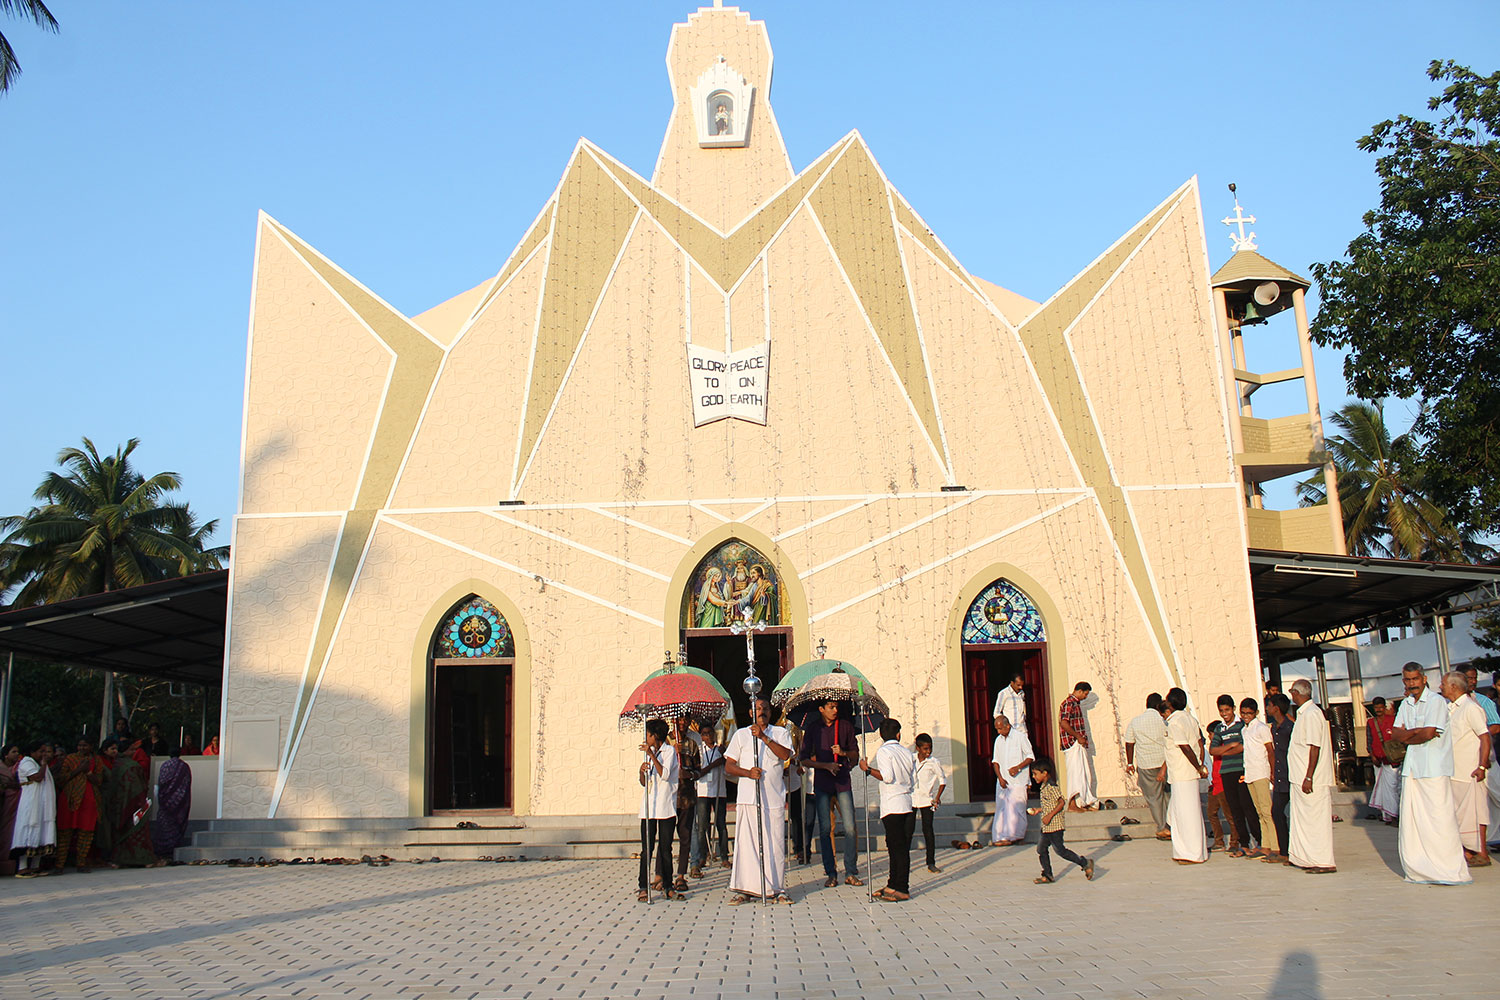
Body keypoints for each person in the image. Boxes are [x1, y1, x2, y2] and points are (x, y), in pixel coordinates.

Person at [1390, 662, 1470, 884]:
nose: (1412, 684)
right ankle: (1420, 869)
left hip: (1434, 768)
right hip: (1412, 769)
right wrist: (1412, 734)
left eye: (1415, 679)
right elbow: (1396, 734)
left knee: (1440, 820)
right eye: (1408, 680)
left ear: (1424, 679)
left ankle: (1449, 871)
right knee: (1413, 821)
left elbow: (1429, 733)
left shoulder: (1436, 701)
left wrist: (1411, 734)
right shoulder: (1405, 703)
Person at [725, 697, 793, 904]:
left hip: (772, 798)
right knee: (748, 845)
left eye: (765, 708)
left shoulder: (780, 733)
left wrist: (764, 738)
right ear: (750, 713)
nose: (761, 711)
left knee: (775, 845)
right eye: (757, 709)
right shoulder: (740, 735)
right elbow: (729, 766)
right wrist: (747, 773)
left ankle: (776, 888)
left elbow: (785, 755)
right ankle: (746, 888)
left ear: (770, 713)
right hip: (748, 798)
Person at [799, 699, 861, 888]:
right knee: (826, 828)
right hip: (823, 783)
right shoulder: (813, 729)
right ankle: (831, 871)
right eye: (830, 707)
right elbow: (804, 759)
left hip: (842, 782)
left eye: (836, 707)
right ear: (821, 709)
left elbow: (855, 755)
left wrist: (843, 753)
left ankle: (850, 870)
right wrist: (825, 765)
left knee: (850, 827)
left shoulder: (845, 726)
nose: (834, 710)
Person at [860, 718, 917, 902]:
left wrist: (867, 769)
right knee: (898, 847)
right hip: (907, 802)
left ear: (881, 735)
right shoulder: (907, 752)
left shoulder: (884, 751)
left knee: (897, 848)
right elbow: (913, 779)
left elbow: (887, 776)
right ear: (898, 734)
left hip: (892, 805)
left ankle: (902, 887)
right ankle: (893, 884)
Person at [1441, 671, 1491, 866]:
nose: (1441, 687)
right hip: (1455, 771)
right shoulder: (1450, 709)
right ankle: (1468, 853)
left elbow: (1484, 738)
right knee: (1459, 814)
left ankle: (1483, 853)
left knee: (1477, 812)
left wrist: (1481, 765)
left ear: (1454, 686)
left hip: (1471, 771)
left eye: (1444, 684)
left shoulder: (1471, 708)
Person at [1286, 680, 1336, 873]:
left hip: (1311, 779)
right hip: (1299, 777)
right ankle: (1303, 858)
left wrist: (1309, 776)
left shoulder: (1313, 714)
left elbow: (1315, 746)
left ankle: (1323, 861)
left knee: (1316, 821)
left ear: (1297, 693)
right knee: (1303, 820)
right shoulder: (1303, 714)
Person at [1026, 758, 1094, 884]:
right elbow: (1050, 804)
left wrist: (1049, 816)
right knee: (1041, 849)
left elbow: (1061, 802)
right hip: (1047, 827)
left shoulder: (1052, 786)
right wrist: (1039, 810)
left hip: (1055, 826)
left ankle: (1085, 863)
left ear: (1044, 773)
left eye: (1035, 774)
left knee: (1060, 851)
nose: (1033, 777)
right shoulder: (1043, 787)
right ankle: (1047, 874)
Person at [1162, 688, 1208, 863]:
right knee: (1190, 813)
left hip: (1183, 773)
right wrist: (1200, 765)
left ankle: (1190, 853)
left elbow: (1185, 747)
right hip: (1187, 773)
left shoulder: (1175, 723)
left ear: (1171, 703)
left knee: (1185, 815)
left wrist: (1198, 767)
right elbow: (1199, 743)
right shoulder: (1190, 719)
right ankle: (1193, 852)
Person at [1457, 664, 1499, 852]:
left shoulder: (1482, 702)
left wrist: (1472, 735)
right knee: (1479, 806)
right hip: (1467, 765)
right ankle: (1486, 844)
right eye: (1469, 678)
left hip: (1487, 762)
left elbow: (1494, 728)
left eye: (1475, 678)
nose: (1473, 681)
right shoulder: (1453, 704)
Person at [636, 719, 679, 901]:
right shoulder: (649, 754)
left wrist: (652, 756)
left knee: (665, 848)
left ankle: (668, 884)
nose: (646, 738)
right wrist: (641, 771)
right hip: (649, 809)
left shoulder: (669, 752)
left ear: (655, 736)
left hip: (665, 807)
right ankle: (643, 886)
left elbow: (666, 774)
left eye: (648, 734)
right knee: (647, 849)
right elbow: (644, 782)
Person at [1208, 695, 1253, 857]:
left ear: (1233, 708)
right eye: (1221, 710)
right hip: (1226, 772)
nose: (1224, 713)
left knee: (1247, 807)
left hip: (1240, 771)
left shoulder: (1241, 726)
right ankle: (1243, 844)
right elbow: (1213, 750)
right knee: (1234, 810)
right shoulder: (1220, 729)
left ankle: (1259, 842)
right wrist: (1231, 746)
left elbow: (1243, 747)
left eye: (1227, 710)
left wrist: (1227, 748)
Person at [1124, 693, 1170, 840]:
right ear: (1158, 706)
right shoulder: (1165, 721)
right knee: (1169, 795)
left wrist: (1130, 762)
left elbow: (1130, 743)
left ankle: (1162, 827)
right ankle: (1172, 824)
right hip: (1166, 762)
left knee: (1154, 797)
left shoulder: (1136, 721)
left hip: (1147, 764)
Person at [55, 738, 103, 872]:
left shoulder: (97, 760)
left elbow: (99, 780)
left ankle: (81, 863)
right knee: (64, 832)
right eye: (79, 745)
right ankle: (59, 865)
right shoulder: (70, 759)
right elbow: (61, 778)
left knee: (86, 832)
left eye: (85, 745)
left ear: (91, 746)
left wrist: (88, 772)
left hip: (89, 799)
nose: (81, 748)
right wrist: (79, 770)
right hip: (70, 798)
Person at [11, 741, 56, 877]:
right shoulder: (26, 763)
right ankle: (23, 867)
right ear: (32, 752)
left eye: (45, 751)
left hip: (42, 805)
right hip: (31, 804)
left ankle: (35, 866)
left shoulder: (40, 764)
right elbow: (37, 778)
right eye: (41, 751)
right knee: (28, 831)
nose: (43, 754)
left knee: (41, 831)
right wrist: (43, 764)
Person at [1239, 698, 1275, 859]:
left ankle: (1274, 846)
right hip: (1250, 773)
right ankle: (1265, 845)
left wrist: (1272, 771)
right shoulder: (1244, 730)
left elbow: (1270, 750)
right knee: (1259, 811)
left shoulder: (1261, 728)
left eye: (1249, 713)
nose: (1246, 716)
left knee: (1267, 810)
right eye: (1244, 713)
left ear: (1256, 713)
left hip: (1261, 772)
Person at [990, 714, 1034, 846]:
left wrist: (1018, 767)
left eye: (1000, 729)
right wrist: (1000, 778)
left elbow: (1030, 756)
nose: (998, 732)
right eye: (997, 729)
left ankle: (1016, 836)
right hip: (1003, 781)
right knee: (1002, 808)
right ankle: (1000, 837)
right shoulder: (998, 740)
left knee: (1017, 809)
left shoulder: (1020, 737)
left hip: (1018, 781)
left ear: (1007, 726)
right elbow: (995, 761)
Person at [668, 716, 701, 893]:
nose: (683, 723)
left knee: (686, 835)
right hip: (669, 797)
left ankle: (681, 875)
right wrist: (672, 752)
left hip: (686, 795)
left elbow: (698, 769)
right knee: (665, 838)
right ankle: (662, 875)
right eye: (679, 720)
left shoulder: (692, 744)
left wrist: (691, 775)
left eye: (686, 720)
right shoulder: (665, 741)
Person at [690, 724, 727, 877]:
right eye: (704, 733)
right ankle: (702, 856)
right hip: (704, 791)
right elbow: (698, 771)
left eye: (710, 733)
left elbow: (728, 767)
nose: (708, 736)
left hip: (719, 791)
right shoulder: (699, 750)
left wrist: (723, 757)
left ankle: (724, 856)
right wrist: (713, 765)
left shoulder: (720, 750)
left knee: (721, 824)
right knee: (702, 826)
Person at [1059, 682, 1099, 810]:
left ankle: (1083, 801)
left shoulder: (1075, 704)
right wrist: (1078, 736)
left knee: (1083, 773)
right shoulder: (1068, 703)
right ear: (1080, 691)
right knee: (1075, 773)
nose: (1086, 697)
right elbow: (1064, 723)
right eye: (1085, 694)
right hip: (1072, 742)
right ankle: (1072, 803)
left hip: (1078, 742)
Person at [1264, 693, 1293, 863]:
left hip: (1291, 775)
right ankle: (1284, 850)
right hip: (1280, 775)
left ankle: (1291, 850)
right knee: (1276, 812)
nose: (1267, 708)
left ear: (1276, 708)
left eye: (1269, 705)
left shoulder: (1290, 727)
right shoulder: (1274, 727)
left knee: (1290, 814)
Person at [912, 733, 945, 873]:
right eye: (925, 749)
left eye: (930, 748)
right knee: (908, 831)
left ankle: (930, 862)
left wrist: (937, 797)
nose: (928, 752)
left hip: (927, 800)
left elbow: (942, 780)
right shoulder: (911, 759)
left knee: (928, 831)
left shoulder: (933, 762)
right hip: (912, 799)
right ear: (918, 748)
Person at [152, 746, 193, 858]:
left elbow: (161, 782)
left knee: (164, 825)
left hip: (165, 802)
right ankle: (172, 849)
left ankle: (162, 851)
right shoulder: (183, 766)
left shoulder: (164, 766)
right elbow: (186, 784)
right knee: (175, 825)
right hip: (179, 803)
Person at [1366, 696, 1401, 824]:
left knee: (1392, 788)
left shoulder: (1393, 720)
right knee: (1383, 788)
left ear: (1384, 708)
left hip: (1392, 760)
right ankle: (1387, 815)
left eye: (1381, 707)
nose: (1379, 710)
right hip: (1378, 760)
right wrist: (1372, 756)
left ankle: (1395, 814)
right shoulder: (1370, 722)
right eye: (1376, 708)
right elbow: (1369, 741)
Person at [0, 744, 21, 876]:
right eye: (14, 752)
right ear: (5, 755)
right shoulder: (2, 769)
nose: (16, 754)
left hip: (12, 806)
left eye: (18, 752)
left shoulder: (18, 768)